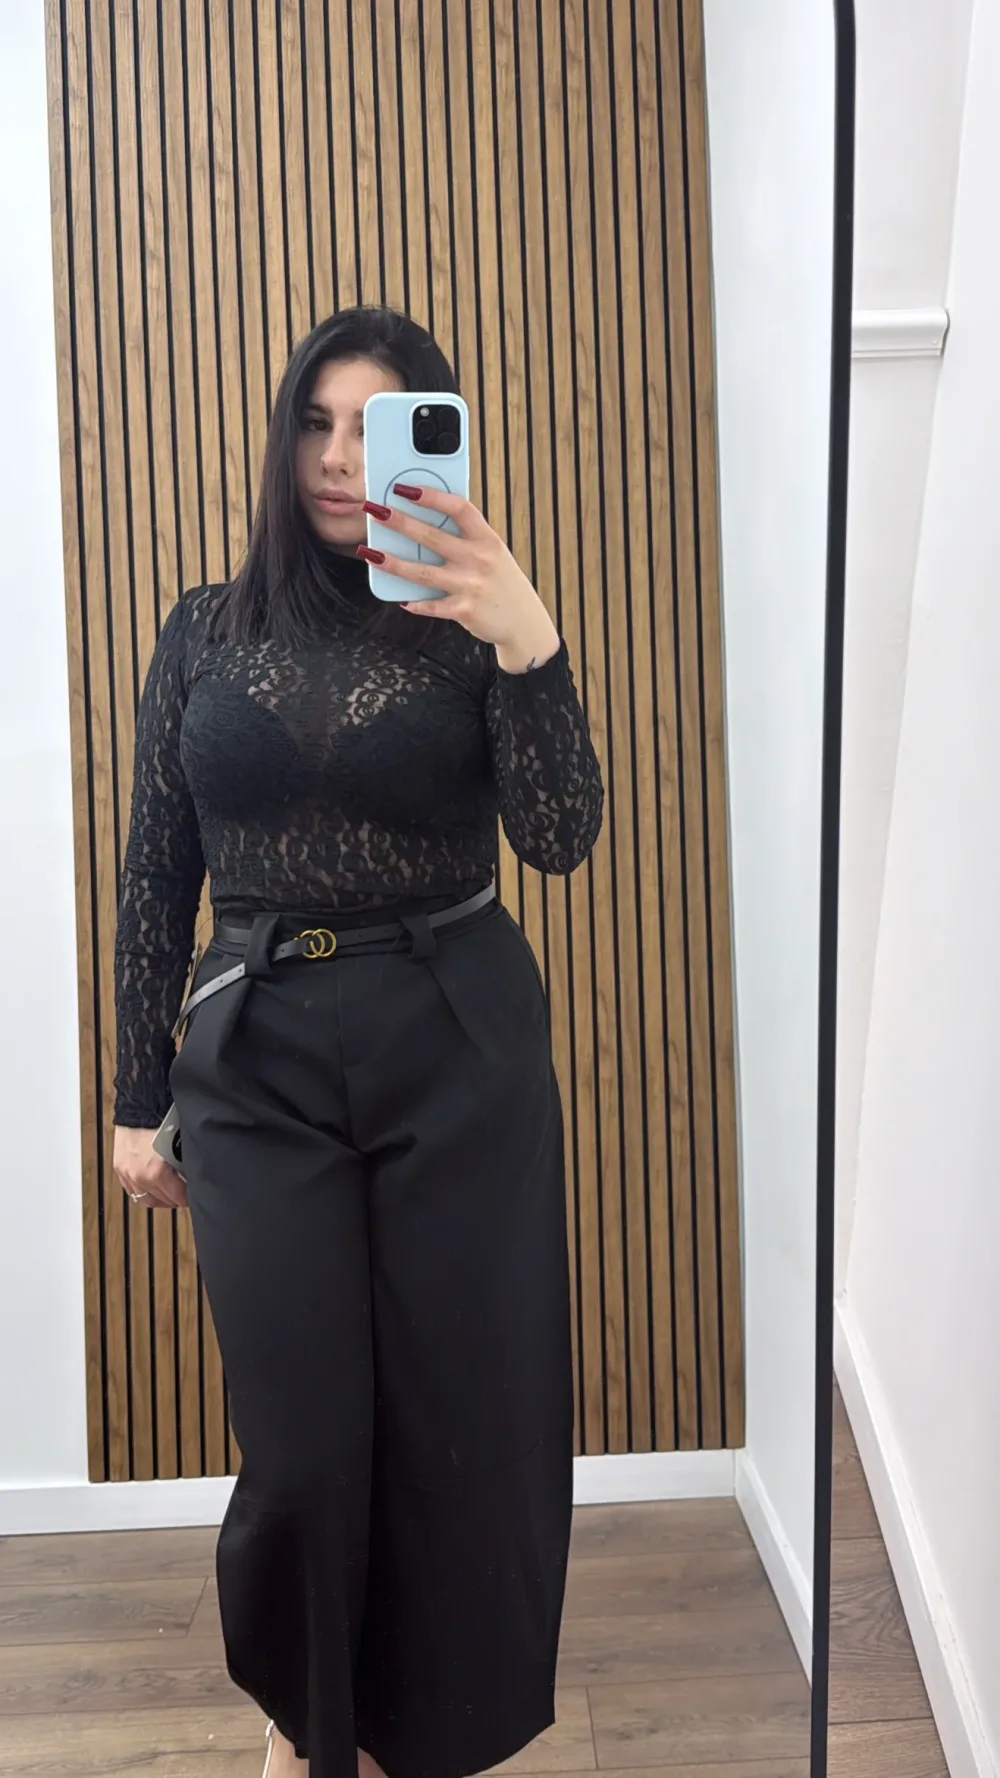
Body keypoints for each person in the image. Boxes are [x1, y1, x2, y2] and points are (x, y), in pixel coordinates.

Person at [112, 306, 603, 1778]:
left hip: (455, 1045)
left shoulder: (471, 628)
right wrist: (135, 1098)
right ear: (286, 440)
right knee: (304, 1443)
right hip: (255, 1050)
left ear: (424, 444)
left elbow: (560, 836)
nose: (340, 458)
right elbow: (156, 871)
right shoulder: (203, 630)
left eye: (374, 427)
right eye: (317, 423)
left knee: (457, 1424)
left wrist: (528, 637)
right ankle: (304, 1723)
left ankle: (408, 1742)